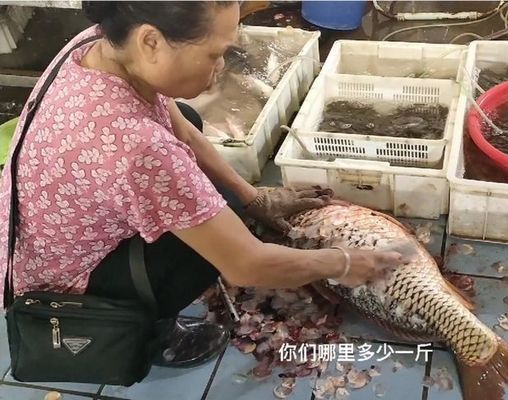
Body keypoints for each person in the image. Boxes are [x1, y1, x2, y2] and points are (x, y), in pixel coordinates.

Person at [0, 1, 404, 369]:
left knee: (189, 122)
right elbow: (246, 265)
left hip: (33, 244)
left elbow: (182, 132)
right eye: (215, 53)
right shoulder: (139, 148)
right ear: (151, 41)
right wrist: (346, 263)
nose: (222, 65)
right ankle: (154, 336)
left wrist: (255, 198)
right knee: (203, 253)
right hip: (64, 288)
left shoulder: (99, 41)